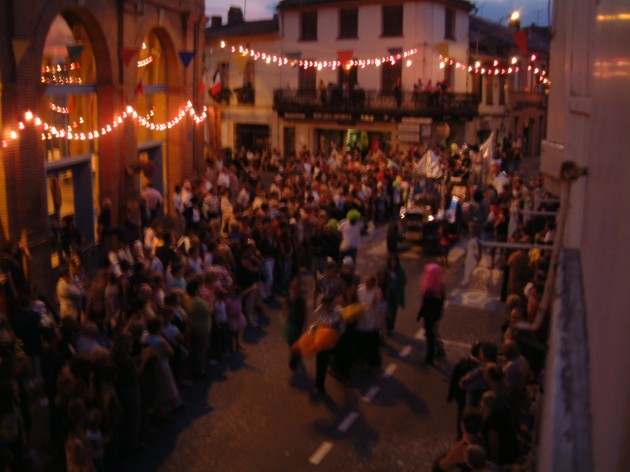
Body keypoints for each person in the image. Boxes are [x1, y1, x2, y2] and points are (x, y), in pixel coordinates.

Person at [312, 294, 345, 396]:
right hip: (321, 342)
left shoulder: (337, 313)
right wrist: (314, 333)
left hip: (331, 341)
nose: (325, 306)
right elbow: (313, 325)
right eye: (323, 304)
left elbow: (342, 326)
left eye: (327, 304)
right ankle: (319, 386)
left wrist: (337, 335)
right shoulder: (317, 312)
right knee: (320, 363)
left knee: (328, 361)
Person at [416, 263, 445, 365]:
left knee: (430, 335)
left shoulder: (433, 289)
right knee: (432, 333)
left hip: (431, 317)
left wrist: (421, 314)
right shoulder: (438, 287)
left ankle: (430, 356)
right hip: (432, 316)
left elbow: (428, 305)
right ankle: (439, 349)